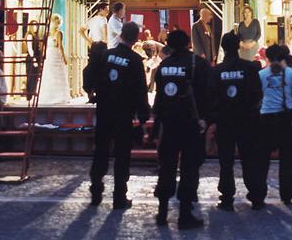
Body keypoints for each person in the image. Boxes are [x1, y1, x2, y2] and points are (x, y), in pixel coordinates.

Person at [153, 30, 210, 228]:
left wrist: (156, 126)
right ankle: (185, 214)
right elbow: (207, 94)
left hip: (168, 124)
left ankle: (162, 212)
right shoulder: (198, 64)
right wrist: (206, 119)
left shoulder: (163, 66)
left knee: (166, 166)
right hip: (190, 124)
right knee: (189, 168)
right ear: (188, 43)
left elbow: (159, 98)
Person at [89, 21, 150, 208]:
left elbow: (93, 75)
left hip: (104, 111)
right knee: (122, 155)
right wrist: (143, 116)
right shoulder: (135, 61)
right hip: (123, 114)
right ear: (136, 38)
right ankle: (119, 196)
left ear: (121, 35)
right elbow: (140, 91)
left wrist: (93, 93)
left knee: (101, 150)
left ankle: (96, 190)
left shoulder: (106, 55)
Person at [209, 32, 263, 211]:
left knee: (226, 161)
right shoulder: (250, 68)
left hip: (224, 121)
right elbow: (257, 93)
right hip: (247, 120)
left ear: (223, 48)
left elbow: (212, 97)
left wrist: (213, 118)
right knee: (250, 159)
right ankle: (256, 196)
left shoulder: (217, 71)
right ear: (238, 46)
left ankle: (227, 198)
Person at [254, 44, 292, 207]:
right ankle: (286, 195)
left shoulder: (261, 74)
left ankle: (258, 197)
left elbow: (257, 97)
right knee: (287, 159)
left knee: (262, 160)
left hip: (266, 119)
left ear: (267, 57)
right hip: (286, 118)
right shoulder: (289, 72)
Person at [38, 14, 72, 105]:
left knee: (50, 74)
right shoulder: (58, 33)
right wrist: (64, 58)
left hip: (50, 54)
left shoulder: (49, 33)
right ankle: (58, 97)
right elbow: (60, 46)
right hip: (54, 53)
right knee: (57, 74)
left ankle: (49, 96)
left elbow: (45, 46)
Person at [25, 21, 40, 100]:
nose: (35, 27)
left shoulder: (35, 35)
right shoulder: (30, 36)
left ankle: (33, 93)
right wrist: (34, 59)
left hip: (36, 57)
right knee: (31, 77)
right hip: (31, 58)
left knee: (35, 77)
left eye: (36, 26)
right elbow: (30, 49)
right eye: (34, 26)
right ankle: (29, 95)